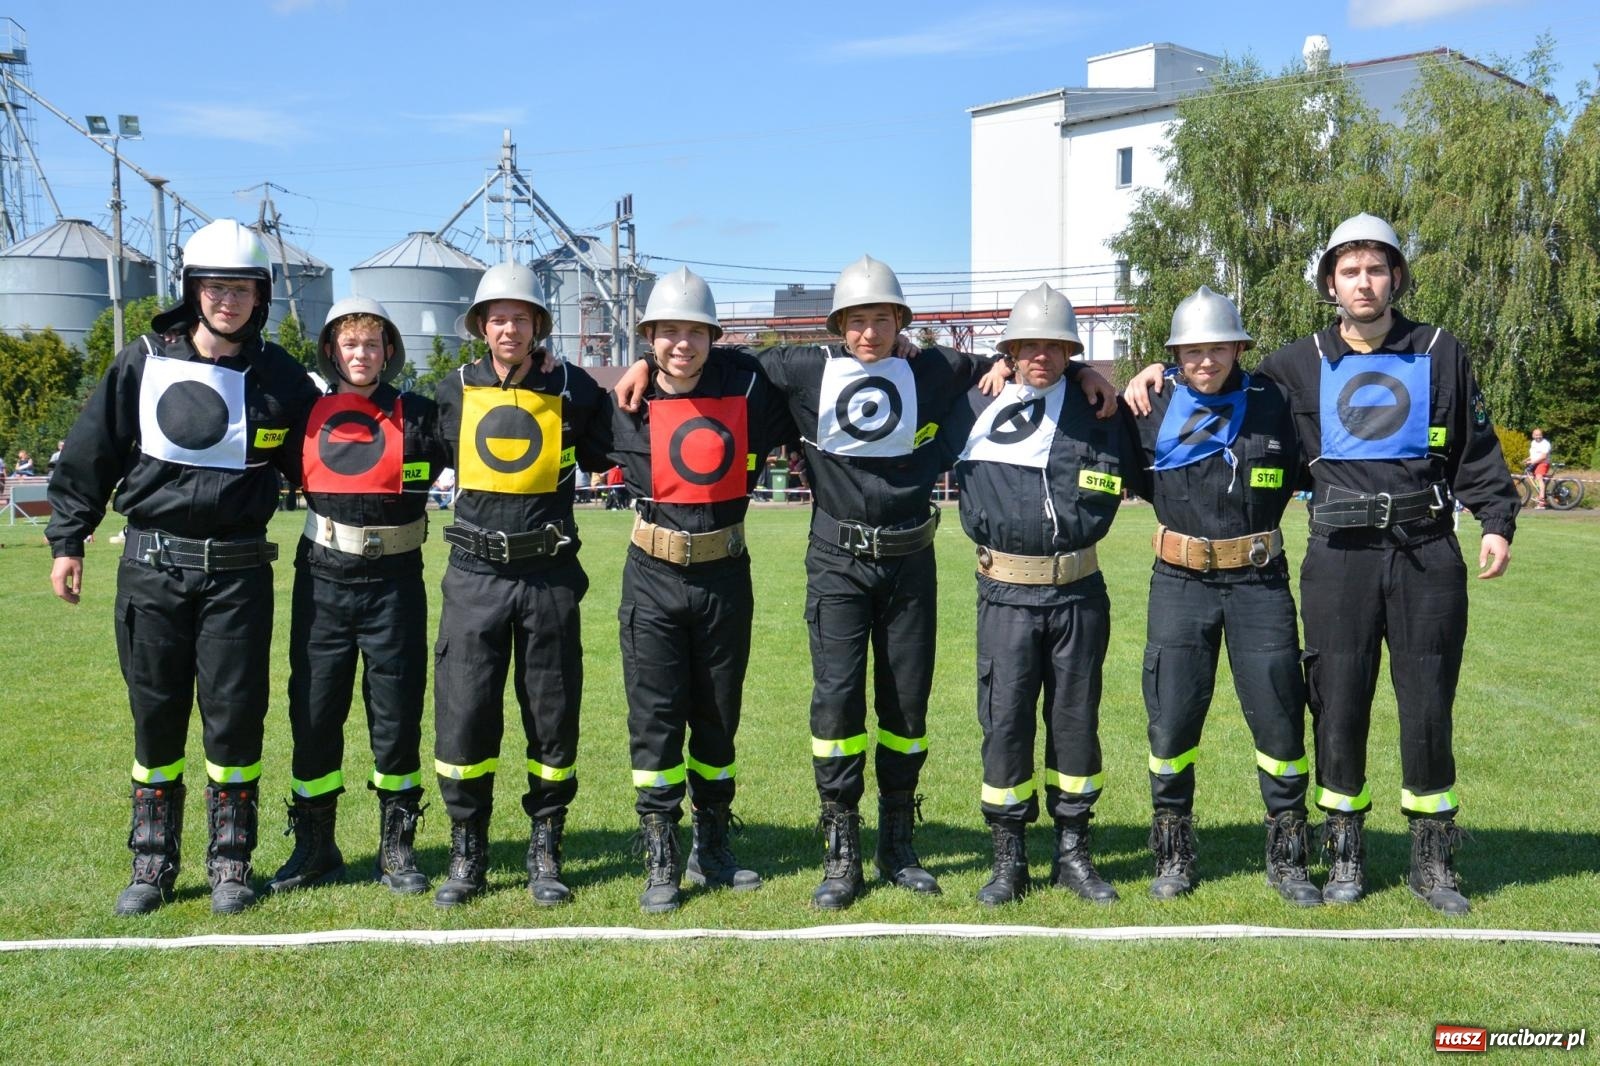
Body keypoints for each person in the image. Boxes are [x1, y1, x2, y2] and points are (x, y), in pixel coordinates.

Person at [1125, 214, 1517, 914]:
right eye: (1348, 271)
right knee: (1337, 705)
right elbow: (1216, 379)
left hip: (1428, 552)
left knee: (1428, 704)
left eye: (1375, 269)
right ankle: (1344, 855)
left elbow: (1475, 446)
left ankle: (1433, 861)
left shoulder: (1439, 349)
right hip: (1338, 557)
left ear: (1395, 276)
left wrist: (1496, 520)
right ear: (1329, 284)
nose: (1363, 283)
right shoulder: (1292, 367)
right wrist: (1153, 367)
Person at [46, 219, 319, 915]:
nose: (227, 300)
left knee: (234, 720)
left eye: (241, 288)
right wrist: (68, 540)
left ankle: (231, 862)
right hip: (151, 568)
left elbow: (330, 458)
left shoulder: (282, 379)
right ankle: (152, 863)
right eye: (214, 286)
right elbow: (89, 454)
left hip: (237, 577)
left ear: (261, 298)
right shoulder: (141, 361)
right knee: (156, 718)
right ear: (192, 290)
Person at [941, 284, 1139, 906]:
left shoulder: (1099, 410)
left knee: (1075, 721)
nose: (1041, 357)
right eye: (1028, 345)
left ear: (1071, 351)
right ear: (1010, 350)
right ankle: (1009, 859)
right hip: (1004, 593)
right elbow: (913, 380)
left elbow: (1157, 443)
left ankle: (1074, 853)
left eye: (1056, 347)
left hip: (1079, 593)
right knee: (1004, 724)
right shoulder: (975, 402)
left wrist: (1104, 374)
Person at [1121, 287, 1317, 906]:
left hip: (1259, 582)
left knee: (1282, 718)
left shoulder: (1275, 402)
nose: (1206, 361)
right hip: (1179, 581)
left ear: (1238, 347)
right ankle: (1173, 852)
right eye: (1192, 350)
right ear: (1175, 354)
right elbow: (1072, 398)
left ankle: (1288, 857)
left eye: (1218, 348)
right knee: (1172, 718)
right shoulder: (1148, 404)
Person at [608, 268, 796, 912]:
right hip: (652, 577)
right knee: (655, 720)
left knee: (718, 717)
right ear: (649, 337)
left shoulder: (747, 386)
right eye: (666, 334)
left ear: (713, 337)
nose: (680, 345)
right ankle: (661, 852)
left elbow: (803, 361)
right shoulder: (624, 404)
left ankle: (712, 845)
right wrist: (633, 365)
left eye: (694, 332)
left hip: (724, 575)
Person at [430, 263, 613, 908]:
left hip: (549, 576)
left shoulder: (578, 388)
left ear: (539, 324)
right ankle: (467, 849)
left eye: (521, 317)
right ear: (481, 326)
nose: (508, 328)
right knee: (465, 715)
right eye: (496, 317)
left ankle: (545, 847)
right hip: (474, 577)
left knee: (553, 716)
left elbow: (622, 440)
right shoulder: (451, 392)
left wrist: (641, 370)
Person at [267, 297, 448, 898]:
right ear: (331, 351)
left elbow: (486, 422)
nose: (361, 354)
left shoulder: (420, 414)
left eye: (372, 344)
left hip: (396, 582)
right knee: (314, 713)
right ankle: (315, 846)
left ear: (389, 351)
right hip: (322, 580)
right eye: (350, 344)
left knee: (395, 715)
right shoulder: (306, 417)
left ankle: (397, 847)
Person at [1525, 428, 1551, 508]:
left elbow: (1543, 457)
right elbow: (1533, 455)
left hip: (1543, 463)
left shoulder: (1545, 444)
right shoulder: (1533, 443)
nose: (1538, 436)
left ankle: (1542, 500)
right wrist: (1526, 459)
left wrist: (1532, 462)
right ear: (1533, 435)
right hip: (1535, 463)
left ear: (1542, 435)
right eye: (1536, 435)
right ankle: (1541, 493)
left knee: (1539, 477)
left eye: (1539, 435)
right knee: (1532, 477)